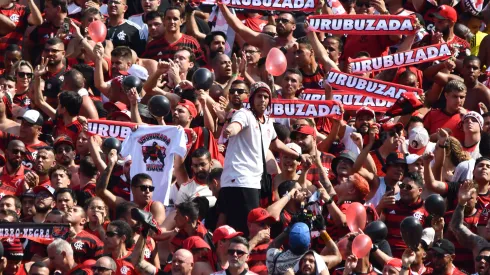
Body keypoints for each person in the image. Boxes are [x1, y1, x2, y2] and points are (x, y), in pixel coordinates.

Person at [219, 82, 309, 235]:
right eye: (259, 96)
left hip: (252, 181)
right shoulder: (244, 114)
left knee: (244, 226)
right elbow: (236, 125)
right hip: (240, 179)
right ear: (252, 98)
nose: (263, 100)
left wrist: (298, 156)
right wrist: (230, 130)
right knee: (246, 227)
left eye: (266, 97)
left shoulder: (267, 122)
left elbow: (276, 143)